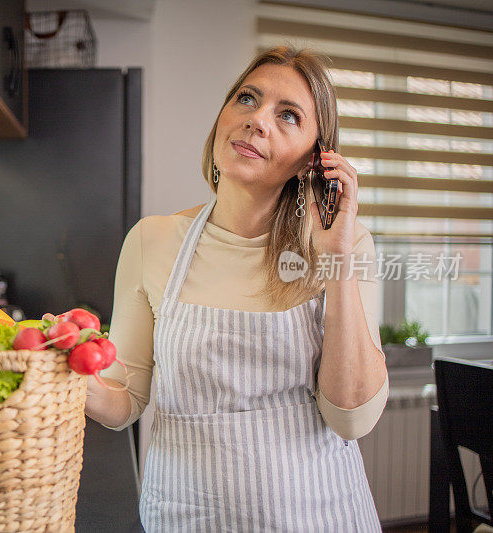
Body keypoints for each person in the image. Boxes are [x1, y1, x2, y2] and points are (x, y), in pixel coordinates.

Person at [86, 45, 389, 531]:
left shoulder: (345, 247)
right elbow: (125, 399)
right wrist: (72, 378)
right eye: (247, 99)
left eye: (288, 115)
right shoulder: (152, 240)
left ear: (316, 159)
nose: (258, 120)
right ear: (223, 117)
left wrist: (336, 257)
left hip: (321, 516)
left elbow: (351, 419)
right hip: (188, 517)